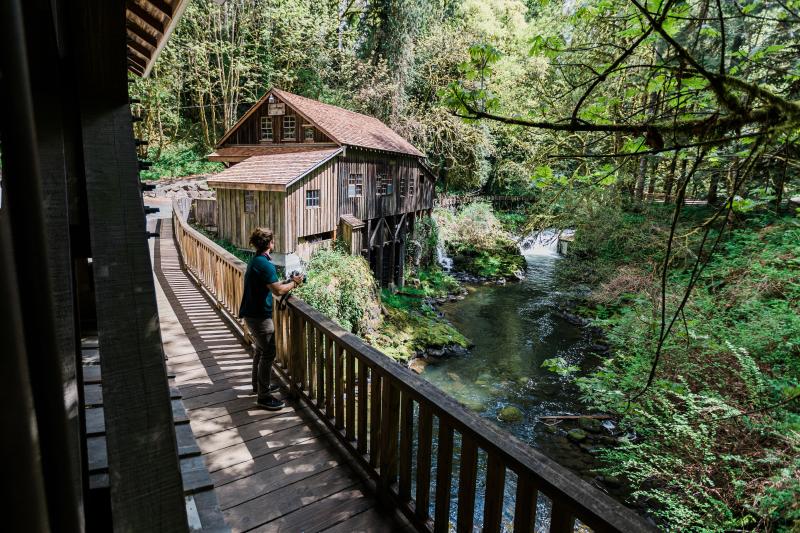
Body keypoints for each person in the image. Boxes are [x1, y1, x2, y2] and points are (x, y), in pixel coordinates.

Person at [239, 227, 303, 410]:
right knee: (268, 353)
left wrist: (286, 282)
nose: (274, 244)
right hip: (259, 317)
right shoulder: (265, 264)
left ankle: (259, 386)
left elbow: (271, 284)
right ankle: (264, 396)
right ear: (269, 243)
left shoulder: (257, 260)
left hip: (253, 314)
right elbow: (278, 290)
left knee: (260, 351)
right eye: (273, 241)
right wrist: (294, 283)